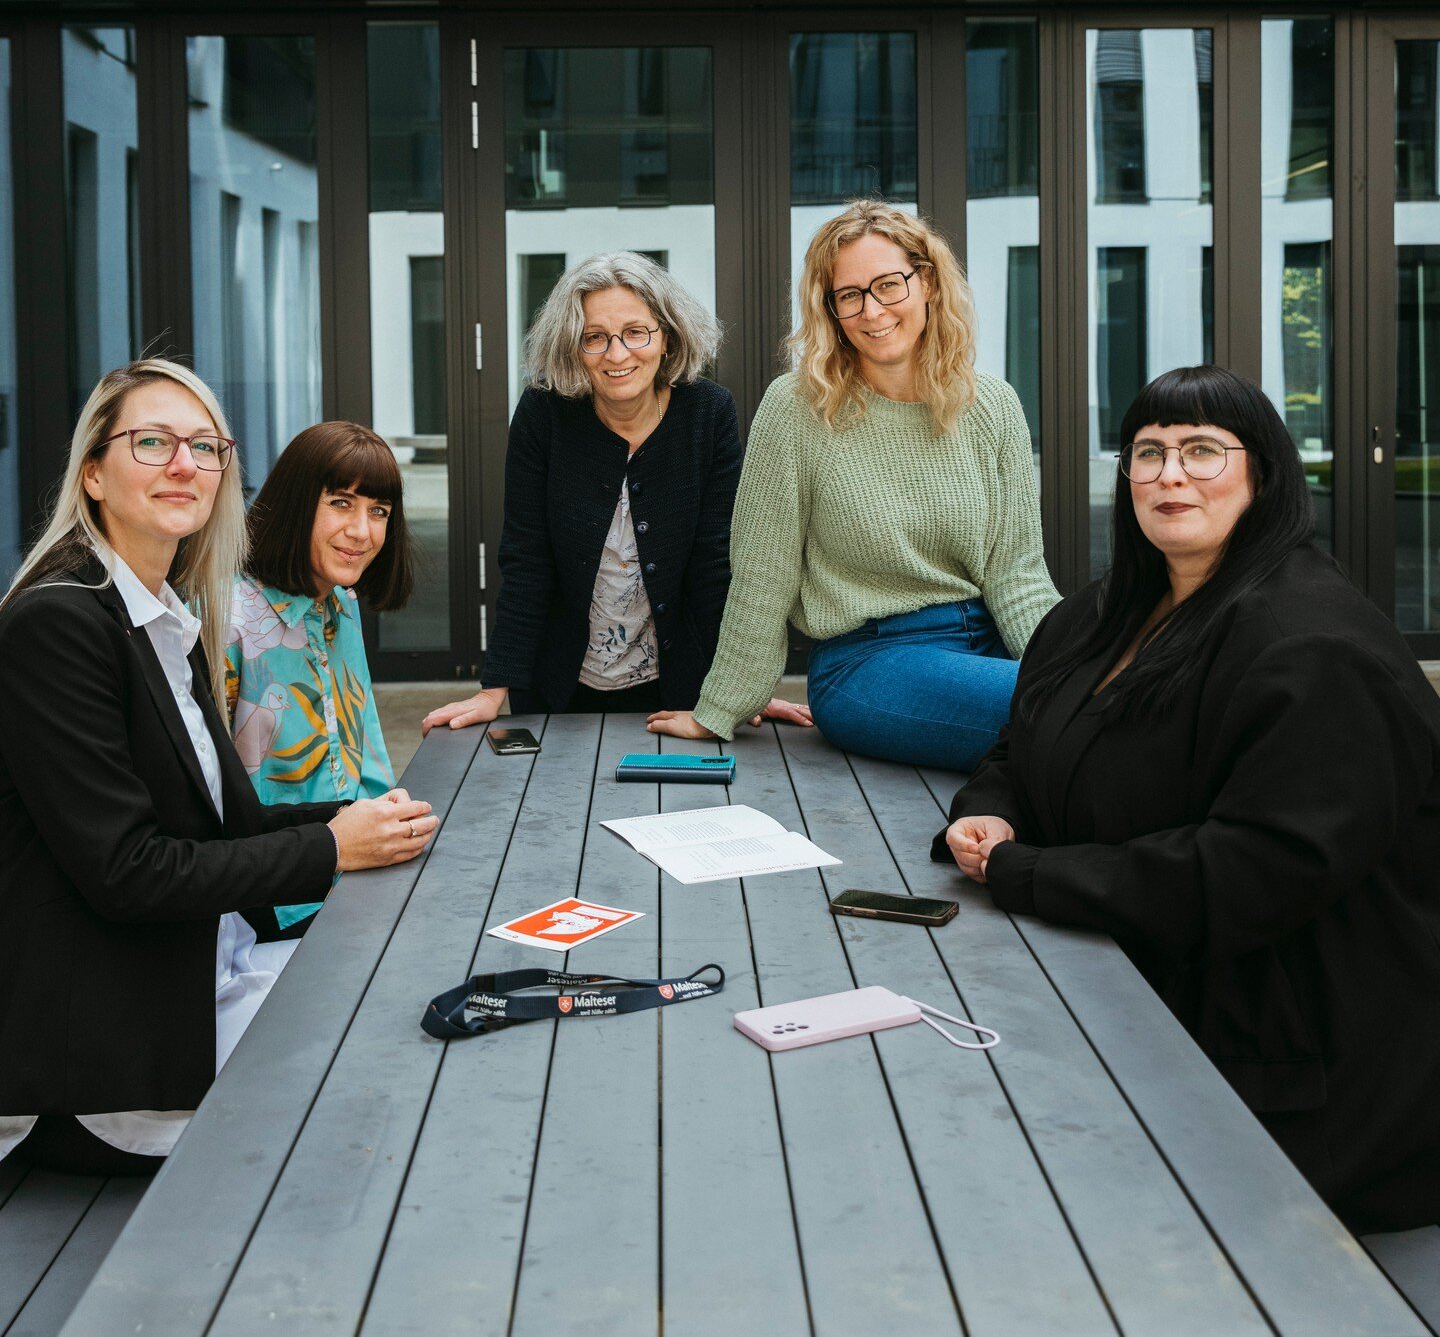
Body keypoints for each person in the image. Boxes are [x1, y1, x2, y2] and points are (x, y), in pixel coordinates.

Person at [936, 365, 1440, 1235]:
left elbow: (1254, 871)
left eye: (1204, 451)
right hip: (1135, 978)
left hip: (1299, 1059)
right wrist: (992, 807)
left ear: (1264, 474)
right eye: (1149, 452)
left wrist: (1030, 874)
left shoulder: (1310, 647)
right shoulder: (1098, 615)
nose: (1170, 474)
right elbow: (1025, 744)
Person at [0, 359, 437, 1179]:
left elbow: (226, 825)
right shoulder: (56, 625)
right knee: (390, 1118)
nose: (184, 465)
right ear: (92, 472)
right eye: (153, 441)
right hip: (117, 1066)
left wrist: (361, 827)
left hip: (215, 974)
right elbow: (128, 874)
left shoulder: (163, 614)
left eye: (205, 447)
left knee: (424, 1008)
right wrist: (331, 848)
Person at [649, 198, 1058, 764]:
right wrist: (723, 706)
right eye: (849, 296)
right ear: (830, 311)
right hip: (871, 663)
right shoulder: (797, 408)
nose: (872, 311)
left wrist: (1074, 662)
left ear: (929, 283)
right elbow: (763, 572)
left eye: (889, 285)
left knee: (1103, 696)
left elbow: (1019, 575)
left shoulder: (992, 406)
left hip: (985, 645)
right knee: (1071, 711)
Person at [422, 252, 806, 731]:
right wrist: (494, 688)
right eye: (594, 338)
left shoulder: (707, 413)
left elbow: (717, 567)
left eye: (635, 332)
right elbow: (526, 559)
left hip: (680, 690)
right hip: (556, 690)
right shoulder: (543, 415)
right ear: (572, 348)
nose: (617, 354)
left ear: (666, 337)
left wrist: (736, 690)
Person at [227, 421, 414, 932]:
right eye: (340, 503)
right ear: (295, 502)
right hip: (270, 895)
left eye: (379, 512)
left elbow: (364, 744)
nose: (362, 531)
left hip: (358, 874)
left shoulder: (341, 603)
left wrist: (395, 825)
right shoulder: (227, 616)